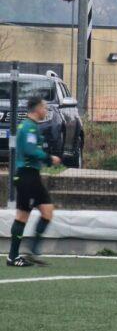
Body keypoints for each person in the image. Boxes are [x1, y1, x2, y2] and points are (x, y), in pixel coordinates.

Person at [7, 96, 62, 267]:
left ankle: (32, 250)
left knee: (48, 211)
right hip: (26, 177)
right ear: (37, 109)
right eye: (44, 107)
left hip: (33, 176)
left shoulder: (31, 127)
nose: (45, 111)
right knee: (22, 216)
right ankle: (13, 256)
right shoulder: (29, 128)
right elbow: (31, 151)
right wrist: (48, 158)